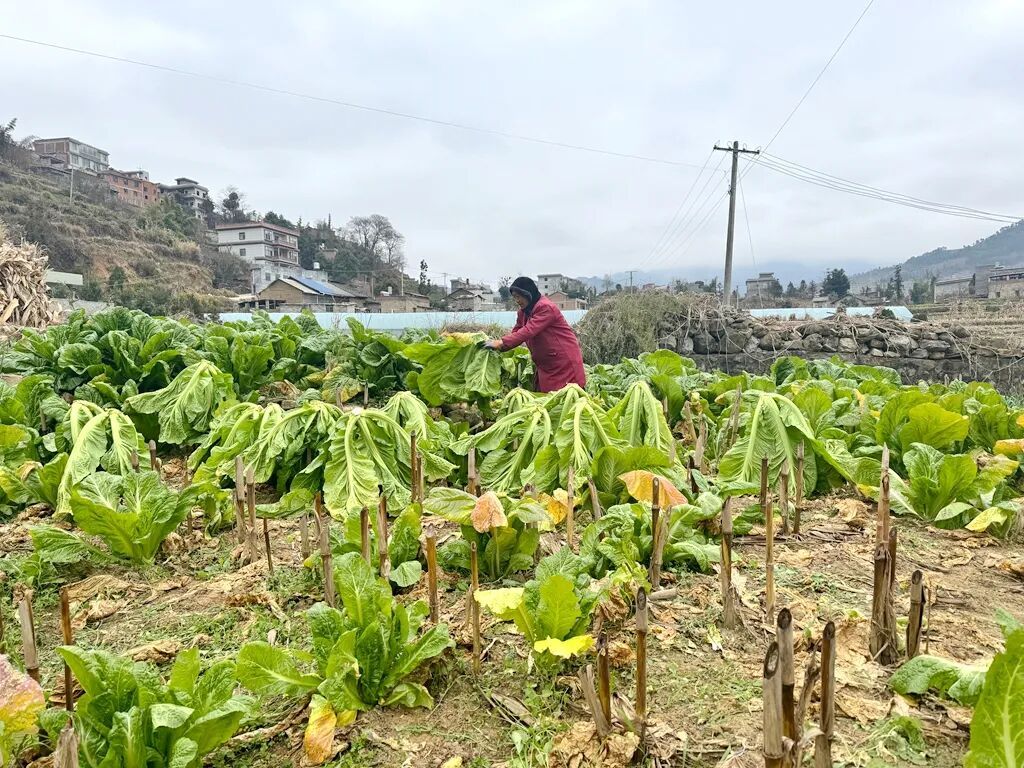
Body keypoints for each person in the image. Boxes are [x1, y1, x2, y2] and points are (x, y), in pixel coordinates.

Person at [485, 276, 586, 392]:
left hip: (562, 361)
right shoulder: (524, 312)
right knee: (548, 399)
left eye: (518, 296)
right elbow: (516, 332)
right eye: (514, 297)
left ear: (528, 294)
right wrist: (501, 345)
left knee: (565, 398)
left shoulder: (545, 307)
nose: (517, 300)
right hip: (547, 364)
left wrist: (502, 342)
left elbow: (528, 330)